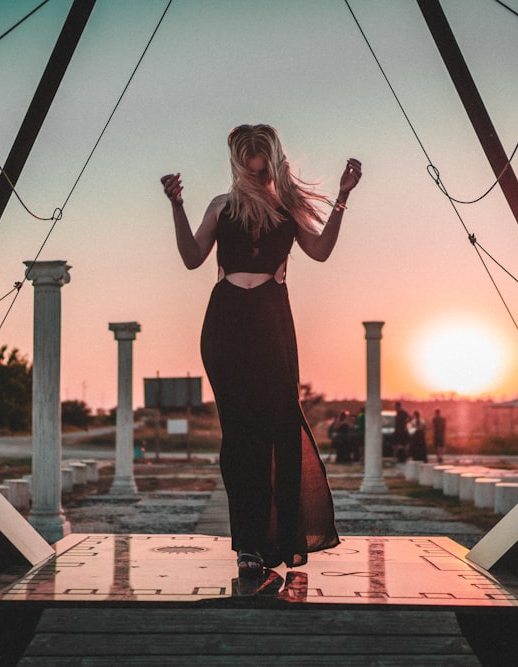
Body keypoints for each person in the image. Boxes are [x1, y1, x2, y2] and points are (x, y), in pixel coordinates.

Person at [160, 124, 362, 577]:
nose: (255, 173)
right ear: (238, 164)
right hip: (226, 322)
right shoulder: (221, 206)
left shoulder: (287, 207)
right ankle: (248, 545)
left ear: (271, 161)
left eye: (261, 165)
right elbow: (193, 257)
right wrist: (177, 206)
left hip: (272, 320)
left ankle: (283, 539)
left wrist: (343, 197)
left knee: (281, 429)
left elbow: (321, 251)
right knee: (240, 437)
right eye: (248, 167)